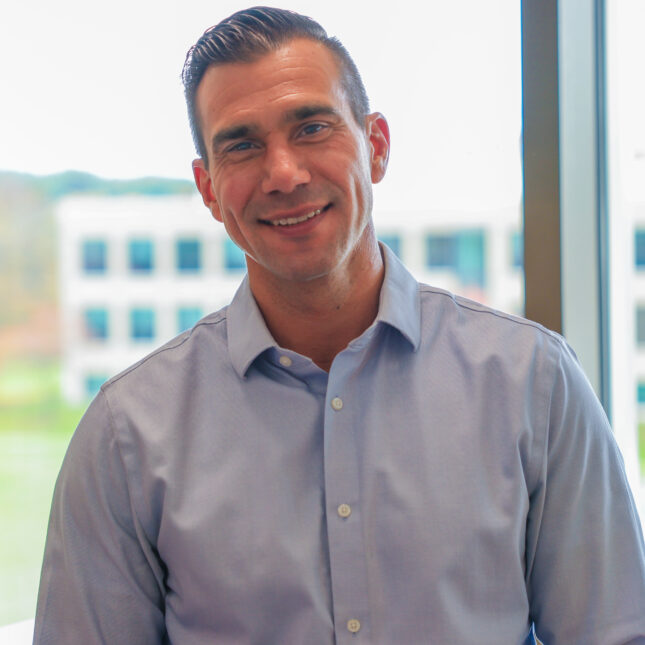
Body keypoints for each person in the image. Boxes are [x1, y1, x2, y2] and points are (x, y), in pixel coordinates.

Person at [34, 6, 645, 644]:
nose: (283, 174)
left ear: (375, 146)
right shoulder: (125, 437)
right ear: (209, 189)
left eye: (312, 127)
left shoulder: (532, 384)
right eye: (241, 145)